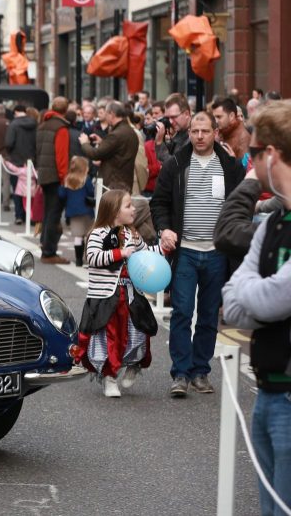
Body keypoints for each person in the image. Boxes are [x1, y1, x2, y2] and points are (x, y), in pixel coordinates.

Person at [221, 101, 291, 516]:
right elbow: (233, 303)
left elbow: (272, 297)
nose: (252, 163)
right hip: (268, 390)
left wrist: (258, 295)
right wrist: (260, 296)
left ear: (272, 155)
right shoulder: (274, 221)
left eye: (255, 152)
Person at [150, 111, 245, 398]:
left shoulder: (230, 166)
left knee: (207, 315)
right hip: (186, 252)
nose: (200, 136)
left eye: (205, 131)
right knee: (181, 312)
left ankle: (200, 370)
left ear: (216, 132)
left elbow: (242, 205)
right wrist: (164, 229)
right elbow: (159, 203)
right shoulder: (176, 163)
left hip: (217, 253)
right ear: (188, 133)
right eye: (195, 131)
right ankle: (180, 372)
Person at [74, 189, 161, 397]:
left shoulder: (132, 234)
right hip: (106, 297)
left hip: (131, 294)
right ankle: (110, 377)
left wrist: (163, 249)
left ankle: (135, 364)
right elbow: (93, 257)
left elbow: (145, 254)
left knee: (140, 333)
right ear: (114, 211)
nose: (134, 209)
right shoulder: (98, 233)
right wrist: (119, 253)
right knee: (112, 336)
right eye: (128, 205)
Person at [35, 96, 72, 263]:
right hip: (55, 176)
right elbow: (61, 156)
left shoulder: (43, 125)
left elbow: (38, 151)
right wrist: (64, 178)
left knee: (48, 212)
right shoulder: (61, 128)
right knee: (54, 214)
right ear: (65, 110)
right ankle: (49, 251)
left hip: (44, 173)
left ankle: (45, 245)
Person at [60, 156, 95, 265]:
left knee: (78, 236)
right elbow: (91, 192)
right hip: (86, 211)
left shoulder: (67, 179)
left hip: (73, 213)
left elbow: (62, 195)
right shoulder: (86, 179)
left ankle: (78, 260)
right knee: (88, 234)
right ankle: (88, 258)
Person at [5, 103, 37, 224]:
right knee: (32, 190)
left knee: (18, 190)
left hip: (17, 161)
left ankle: (19, 215)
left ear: (16, 112)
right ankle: (31, 215)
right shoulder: (34, 123)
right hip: (32, 161)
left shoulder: (13, 124)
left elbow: (8, 142)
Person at [213, 97, 251, 166]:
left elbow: (244, 171)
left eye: (219, 117)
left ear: (231, 116)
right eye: (214, 117)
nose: (216, 121)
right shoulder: (222, 132)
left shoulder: (243, 138)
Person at [156, 93, 192, 164]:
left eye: (174, 117)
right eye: (167, 117)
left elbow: (176, 165)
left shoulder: (195, 135)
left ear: (186, 114)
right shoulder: (180, 131)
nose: (170, 121)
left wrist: (160, 143)